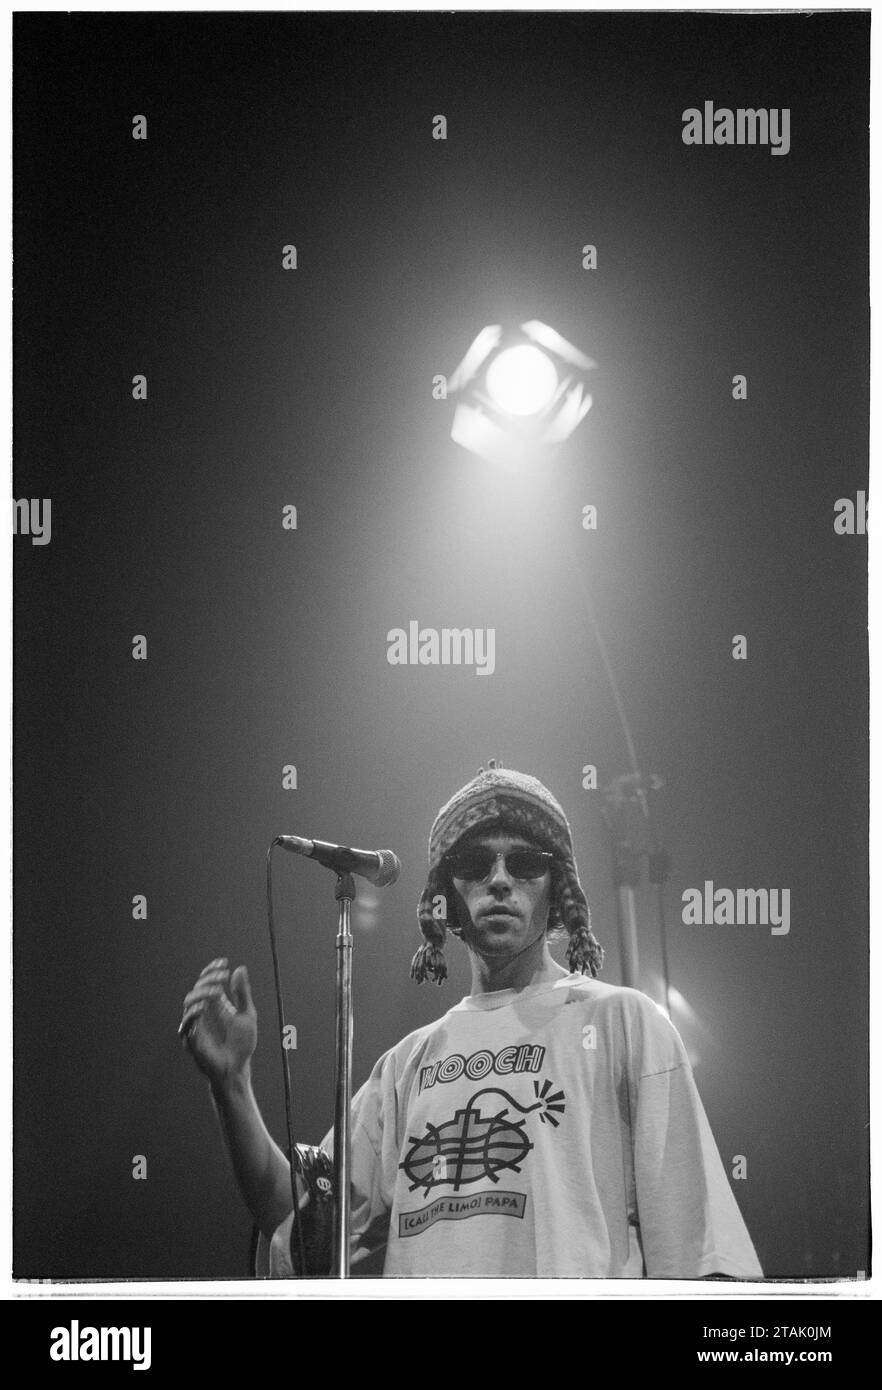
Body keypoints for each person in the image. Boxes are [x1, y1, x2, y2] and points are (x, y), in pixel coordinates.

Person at [180, 762, 762, 1279]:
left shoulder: (623, 1022)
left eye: (527, 862)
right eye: (476, 863)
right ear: (444, 897)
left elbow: (697, 1251)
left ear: (557, 886)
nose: (501, 879)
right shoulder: (406, 1066)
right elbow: (301, 1224)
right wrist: (231, 1087)